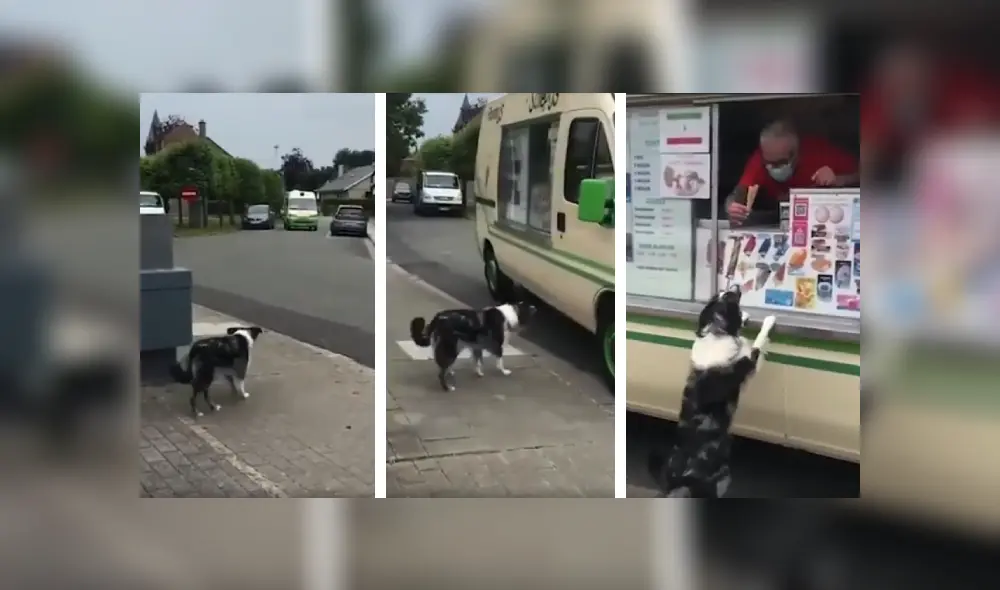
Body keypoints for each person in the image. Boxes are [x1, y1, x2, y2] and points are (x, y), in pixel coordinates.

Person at [726, 119, 859, 226]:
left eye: (780, 163)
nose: (773, 167)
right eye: (768, 162)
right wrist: (732, 208)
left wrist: (839, 180)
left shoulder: (821, 153)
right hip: (779, 218)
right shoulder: (759, 160)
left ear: (796, 154)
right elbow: (738, 195)